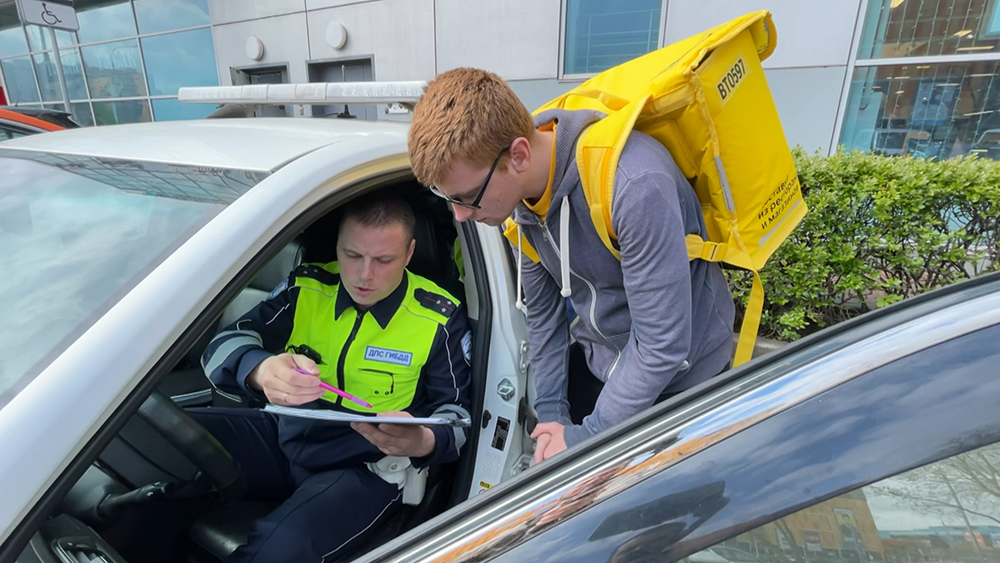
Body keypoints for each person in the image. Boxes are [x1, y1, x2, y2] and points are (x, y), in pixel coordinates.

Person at [407, 67, 734, 463]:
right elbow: (544, 320)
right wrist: (552, 417)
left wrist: (584, 439)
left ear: (519, 155)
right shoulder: (517, 206)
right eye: (449, 199)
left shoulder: (634, 184)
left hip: (688, 382)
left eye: (469, 196)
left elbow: (662, 344)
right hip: (608, 370)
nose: (460, 215)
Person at [195, 195, 472, 562]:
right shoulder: (308, 286)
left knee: (278, 551)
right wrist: (259, 370)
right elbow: (221, 343)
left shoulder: (438, 317)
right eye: (352, 255)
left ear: (409, 253)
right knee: (166, 438)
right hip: (285, 433)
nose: (364, 275)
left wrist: (421, 440)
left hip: (367, 464)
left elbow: (459, 417)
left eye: (383, 260)